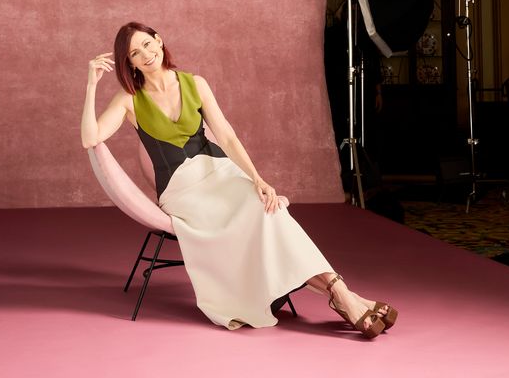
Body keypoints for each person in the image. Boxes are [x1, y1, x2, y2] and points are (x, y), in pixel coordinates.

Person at [81, 21, 398, 336]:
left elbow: (227, 138)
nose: (146, 54)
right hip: (181, 189)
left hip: (220, 172)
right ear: (130, 63)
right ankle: (344, 295)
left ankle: (341, 294)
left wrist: (257, 179)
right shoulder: (128, 100)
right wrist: (92, 85)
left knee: (268, 209)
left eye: (147, 44)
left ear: (159, 41)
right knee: (257, 216)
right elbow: (90, 138)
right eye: (135, 53)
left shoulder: (196, 84)